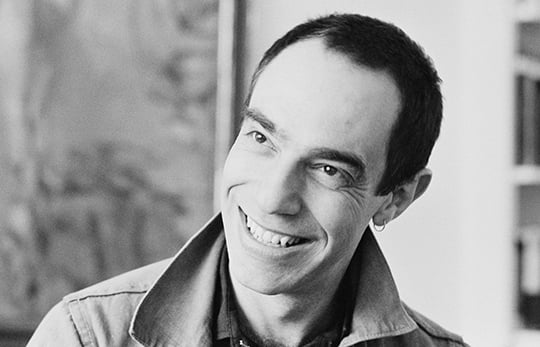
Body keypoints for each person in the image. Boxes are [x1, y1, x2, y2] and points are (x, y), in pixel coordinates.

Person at [28, 13, 469, 347]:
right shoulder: (86, 337)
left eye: (329, 170)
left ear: (396, 197)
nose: (274, 197)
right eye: (261, 137)